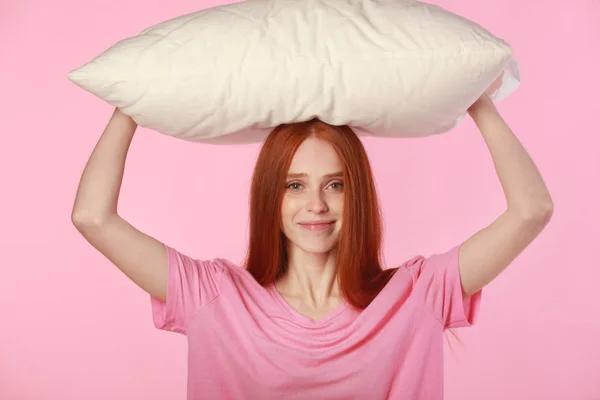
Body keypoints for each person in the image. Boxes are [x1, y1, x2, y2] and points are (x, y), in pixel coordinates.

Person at [71, 85, 553, 399]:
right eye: (294, 185)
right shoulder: (213, 294)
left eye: (336, 184)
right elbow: (92, 217)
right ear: (270, 197)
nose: (316, 205)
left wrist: (477, 98)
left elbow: (532, 210)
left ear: (357, 193)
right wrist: (127, 104)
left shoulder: (417, 293)